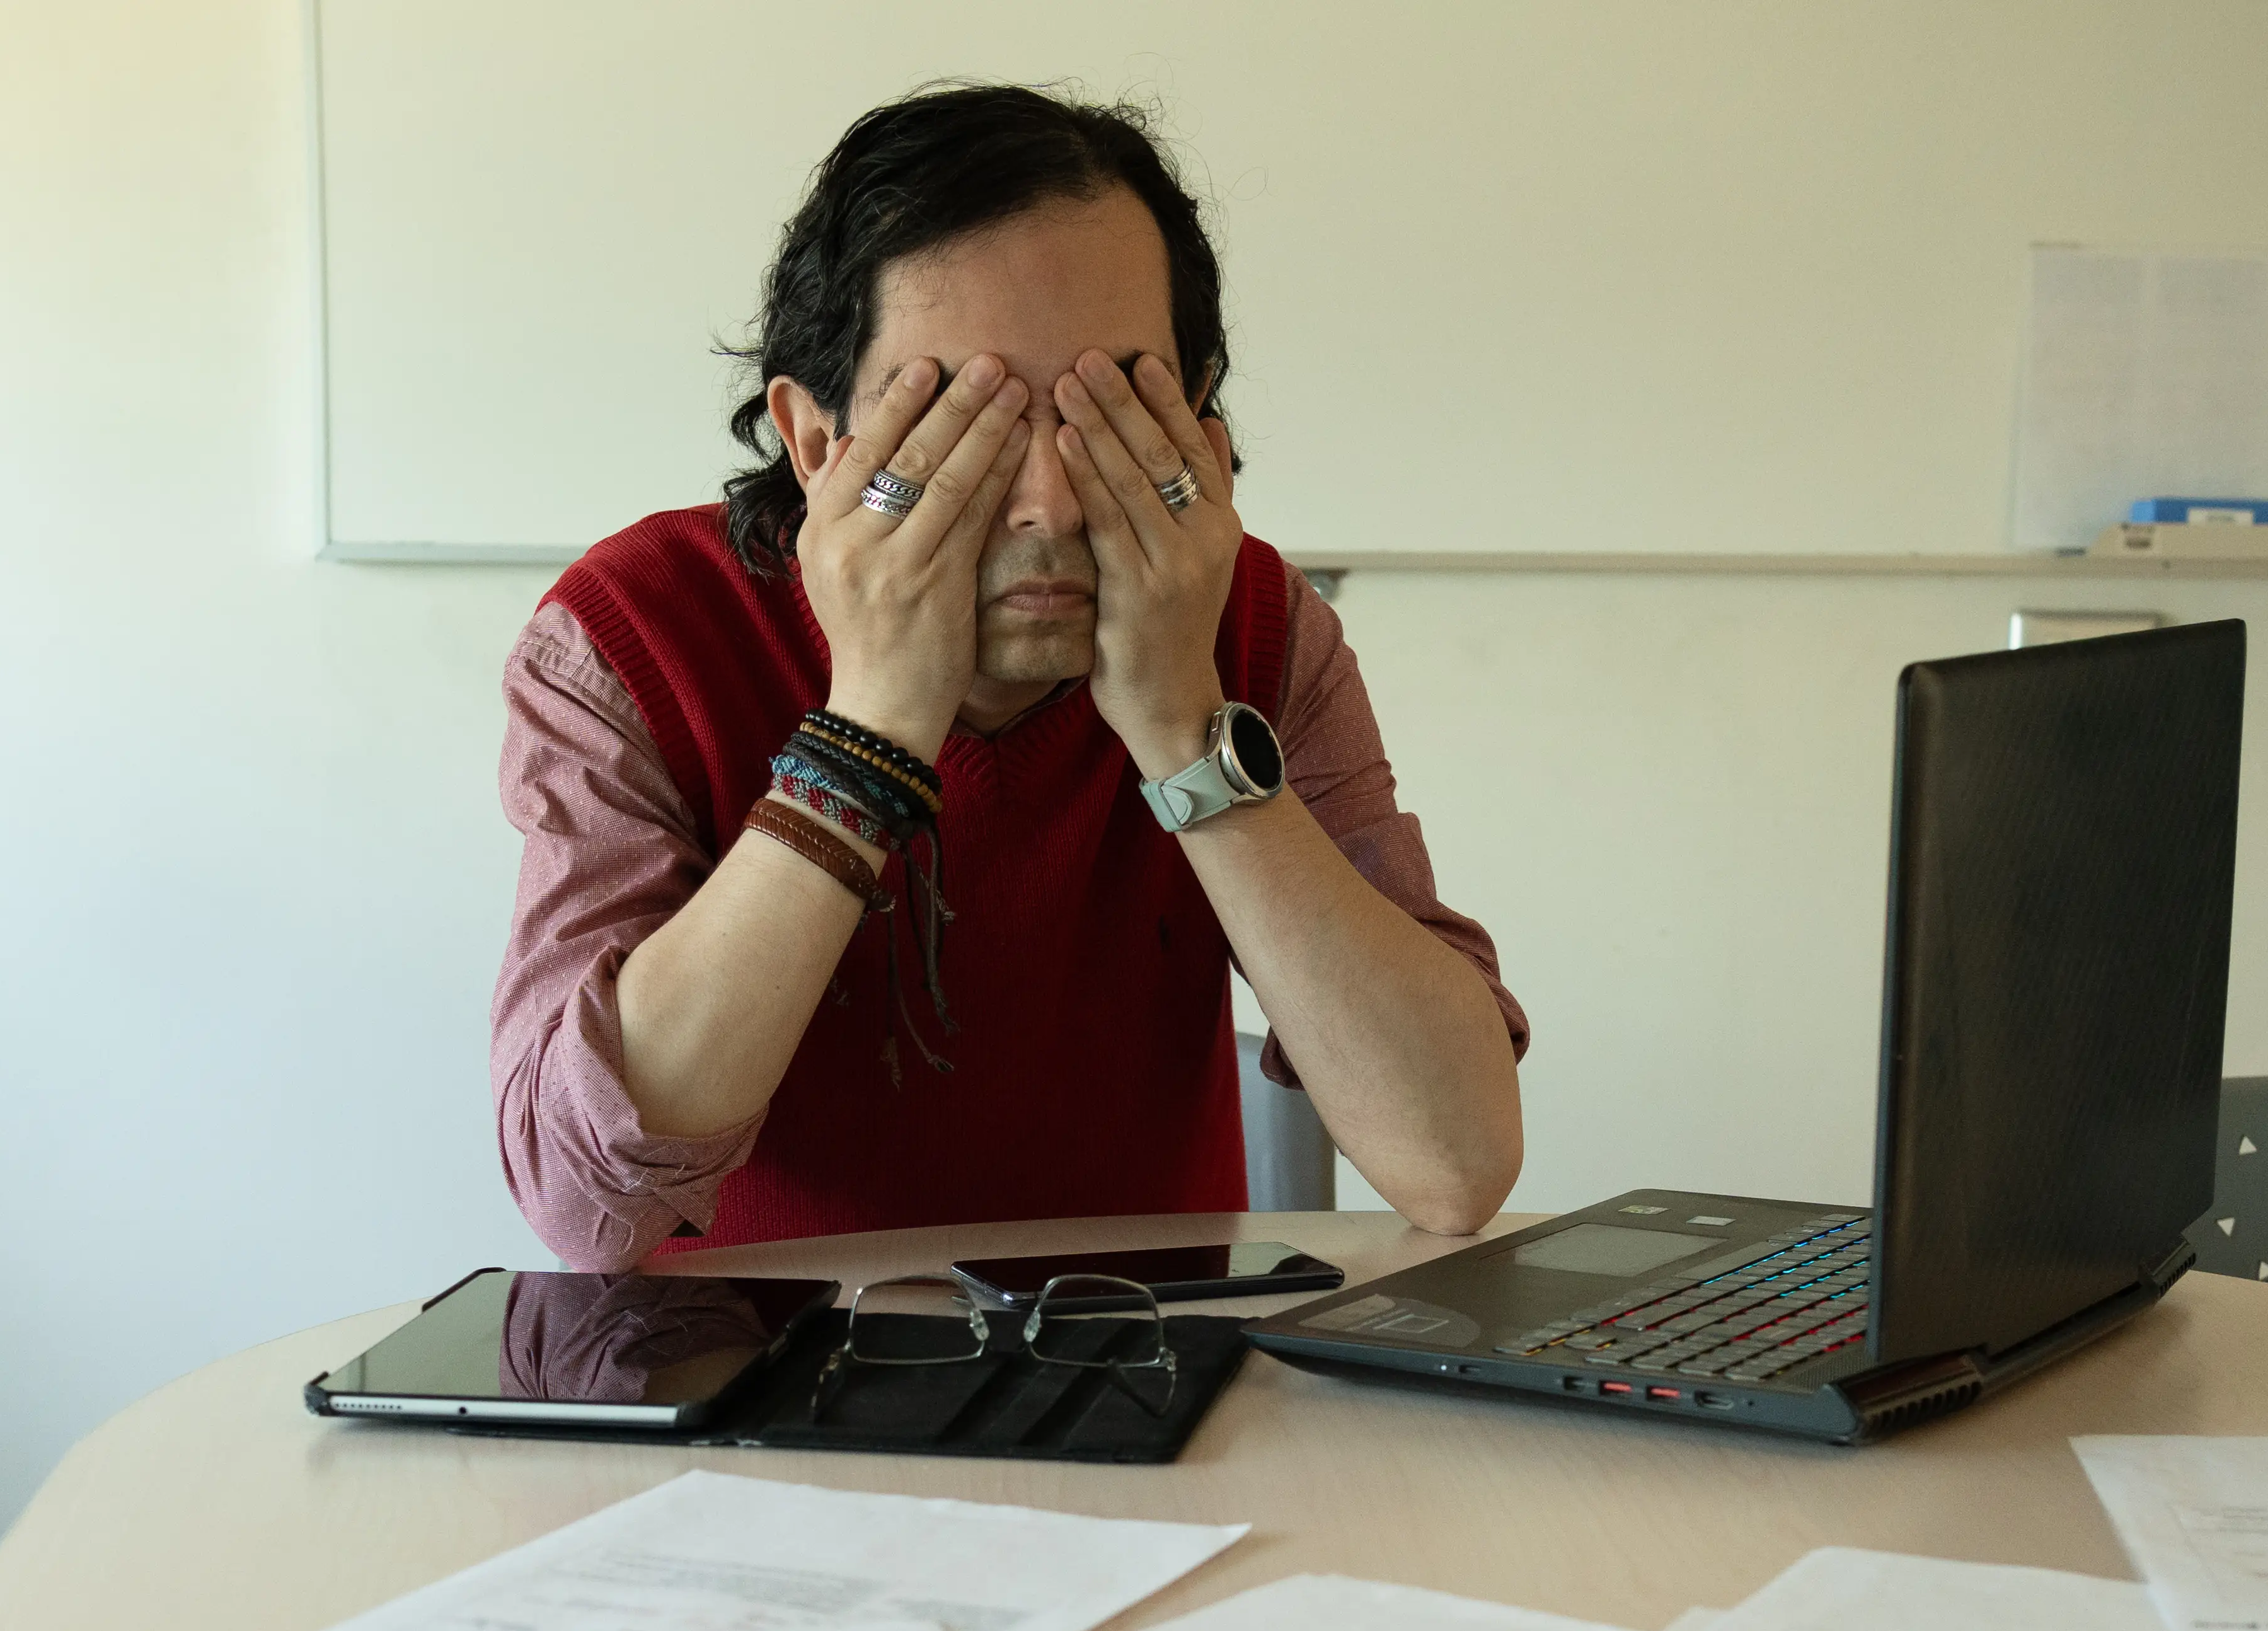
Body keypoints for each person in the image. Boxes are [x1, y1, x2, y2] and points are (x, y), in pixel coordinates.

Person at [491, 84, 1528, 1269]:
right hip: (746, 1403)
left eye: (1113, 416)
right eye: (965, 425)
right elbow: (584, 1205)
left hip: (1158, 1382)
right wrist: (871, 730)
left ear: (1200, 428)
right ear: (820, 443)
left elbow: (1456, 1167)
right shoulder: (631, 635)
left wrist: (1186, 728)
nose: (1046, 506)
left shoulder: (1257, 629)